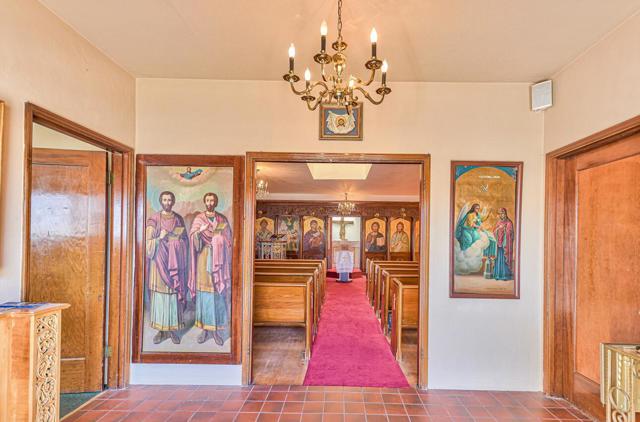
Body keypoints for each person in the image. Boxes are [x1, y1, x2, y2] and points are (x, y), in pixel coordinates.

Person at [188, 192, 233, 346]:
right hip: (204, 257)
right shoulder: (199, 219)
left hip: (218, 259)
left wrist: (219, 239)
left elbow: (229, 240)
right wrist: (200, 231)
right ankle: (205, 330)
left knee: (217, 294)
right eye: (207, 200)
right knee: (205, 293)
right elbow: (193, 238)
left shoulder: (222, 219)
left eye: (212, 200)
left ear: (216, 202)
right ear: (204, 202)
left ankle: (216, 331)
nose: (210, 203)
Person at [145, 191, 189, 345]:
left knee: (172, 297)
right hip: (158, 264)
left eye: (170, 200)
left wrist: (177, 242)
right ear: (160, 201)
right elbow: (147, 245)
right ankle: (161, 330)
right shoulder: (154, 220)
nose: (167, 202)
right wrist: (159, 238)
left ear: (173, 201)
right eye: (164, 199)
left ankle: (171, 330)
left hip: (174, 264)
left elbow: (185, 241)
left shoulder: (178, 219)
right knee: (160, 297)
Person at [492, 208, 515, 280]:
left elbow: (510, 233)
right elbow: (494, 231)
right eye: (500, 214)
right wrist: (498, 229)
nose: (501, 215)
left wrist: (505, 229)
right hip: (499, 244)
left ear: (505, 214)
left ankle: (505, 275)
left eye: (503, 213)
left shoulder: (509, 222)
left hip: (505, 245)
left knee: (504, 260)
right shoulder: (498, 222)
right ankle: (497, 275)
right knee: (498, 259)